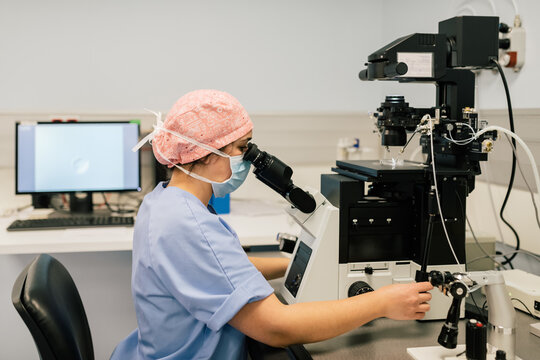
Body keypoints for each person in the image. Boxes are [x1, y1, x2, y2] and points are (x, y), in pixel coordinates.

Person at [111, 89, 433, 360]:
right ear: (206, 153)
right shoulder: (189, 224)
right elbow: (277, 327)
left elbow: (221, 266)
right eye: (241, 148)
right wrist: (381, 302)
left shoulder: (163, 202)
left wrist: (289, 265)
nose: (246, 160)